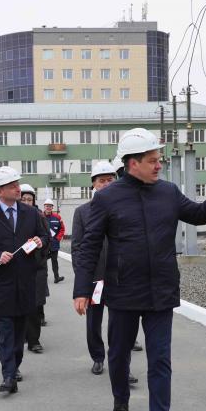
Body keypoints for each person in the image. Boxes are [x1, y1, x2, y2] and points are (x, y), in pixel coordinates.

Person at [72, 128, 206, 411]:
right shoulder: (107, 198)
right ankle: (120, 400)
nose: (159, 165)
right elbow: (89, 246)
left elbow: (201, 214)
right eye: (153, 160)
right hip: (123, 293)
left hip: (161, 292)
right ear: (132, 163)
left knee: (160, 360)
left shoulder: (168, 192)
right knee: (119, 354)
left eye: (159, 159)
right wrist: (82, 288)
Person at [0, 167, 49, 394]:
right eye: (12, 185)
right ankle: (8, 375)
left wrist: (40, 241)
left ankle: (15, 366)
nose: (18, 189)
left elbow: (45, 236)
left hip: (25, 282)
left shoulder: (31, 213)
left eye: (18, 184)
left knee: (19, 331)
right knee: (5, 331)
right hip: (0, 283)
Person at [71, 160, 141, 382]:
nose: (106, 184)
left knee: (121, 324)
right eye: (102, 181)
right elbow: (77, 248)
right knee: (94, 321)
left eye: (110, 180)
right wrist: (83, 279)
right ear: (93, 184)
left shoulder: (126, 208)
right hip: (95, 279)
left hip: (121, 278)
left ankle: (122, 365)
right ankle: (98, 357)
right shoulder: (82, 212)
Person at [19, 184, 49, 354]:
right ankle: (22, 334)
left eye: (29, 200)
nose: (26, 202)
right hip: (18, 267)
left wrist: (40, 243)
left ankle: (34, 340)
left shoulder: (39, 217)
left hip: (37, 266)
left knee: (36, 305)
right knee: (19, 302)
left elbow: (47, 239)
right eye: (23, 199)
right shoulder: (13, 217)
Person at [42, 199, 66, 283]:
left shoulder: (57, 217)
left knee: (54, 261)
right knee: (43, 261)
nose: (48, 207)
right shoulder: (40, 216)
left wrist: (58, 238)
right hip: (44, 243)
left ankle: (56, 277)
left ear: (52, 207)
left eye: (50, 206)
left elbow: (62, 229)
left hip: (54, 243)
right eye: (47, 206)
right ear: (44, 207)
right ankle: (44, 277)